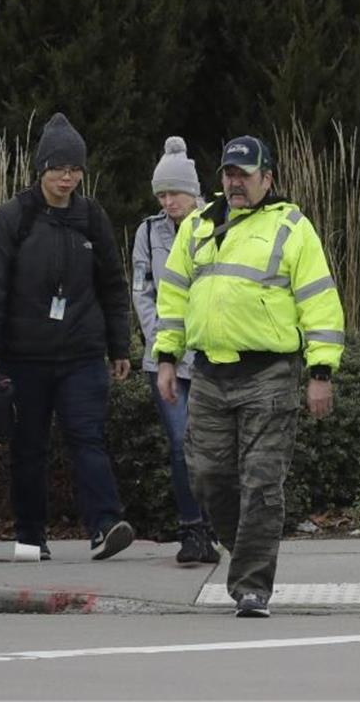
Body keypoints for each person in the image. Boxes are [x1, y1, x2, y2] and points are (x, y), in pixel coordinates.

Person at [153, 134, 344, 617]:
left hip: (270, 376)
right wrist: (167, 358)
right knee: (208, 477)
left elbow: (320, 301)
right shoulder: (197, 226)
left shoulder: (292, 227)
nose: (235, 182)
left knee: (261, 483)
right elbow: (173, 296)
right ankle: (246, 552)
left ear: (268, 178)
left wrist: (320, 370)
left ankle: (252, 586)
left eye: (245, 174)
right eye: (229, 174)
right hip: (210, 374)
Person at [0, 111, 136, 561]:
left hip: (83, 354)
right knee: (29, 447)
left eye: (75, 169)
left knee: (87, 438)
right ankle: (30, 535)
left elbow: (113, 284)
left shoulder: (91, 217)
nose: (67, 178)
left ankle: (105, 525)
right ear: (41, 168)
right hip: (23, 356)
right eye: (59, 168)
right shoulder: (13, 218)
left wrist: (119, 345)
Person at [131, 136, 218, 565]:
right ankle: (192, 531)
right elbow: (143, 292)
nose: (168, 201)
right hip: (164, 357)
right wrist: (162, 340)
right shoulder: (148, 232)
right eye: (162, 194)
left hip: (209, 357)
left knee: (214, 446)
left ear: (193, 191)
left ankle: (218, 524)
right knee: (181, 443)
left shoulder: (217, 225)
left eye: (175, 193)